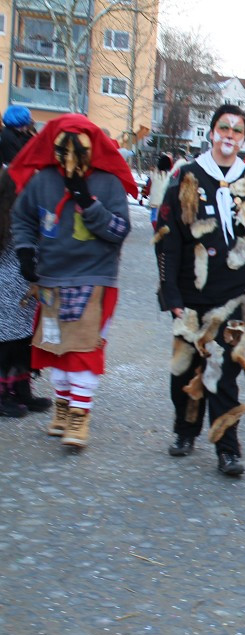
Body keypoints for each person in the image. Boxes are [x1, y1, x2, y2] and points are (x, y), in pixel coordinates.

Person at [156, 104, 245, 476]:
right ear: (212, 132)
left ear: (244, 138)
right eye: (223, 128)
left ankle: (227, 448)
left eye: (237, 131)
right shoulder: (186, 178)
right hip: (191, 295)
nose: (229, 135)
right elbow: (167, 240)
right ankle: (184, 430)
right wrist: (171, 297)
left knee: (225, 373)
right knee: (185, 372)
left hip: (236, 296)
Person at [9, 114, 136, 448]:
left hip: (94, 278)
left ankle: (80, 415)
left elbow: (119, 231)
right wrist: (25, 252)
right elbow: (22, 218)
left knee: (82, 350)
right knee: (56, 351)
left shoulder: (107, 183)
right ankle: (63, 408)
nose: (69, 158)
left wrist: (86, 201)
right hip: (51, 279)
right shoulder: (42, 181)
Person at [0, 169, 52, 417]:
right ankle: (3, 394)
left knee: (22, 341)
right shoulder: (12, 214)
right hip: (8, 283)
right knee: (5, 342)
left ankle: (21, 389)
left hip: (25, 285)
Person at [146, 153, 174, 228]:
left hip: (154, 199)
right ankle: (160, 228)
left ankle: (156, 227)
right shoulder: (169, 175)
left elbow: (148, 184)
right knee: (163, 216)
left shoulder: (154, 173)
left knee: (153, 216)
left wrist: (145, 194)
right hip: (164, 200)